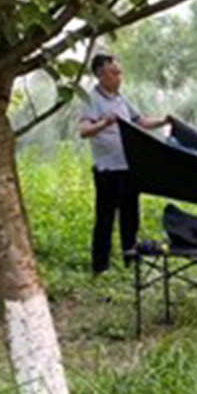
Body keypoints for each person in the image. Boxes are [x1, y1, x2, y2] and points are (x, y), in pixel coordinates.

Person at [77, 53, 169, 274]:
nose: (119, 77)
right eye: (114, 73)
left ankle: (130, 260)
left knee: (130, 216)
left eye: (120, 73)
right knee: (105, 219)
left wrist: (164, 120)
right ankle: (100, 267)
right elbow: (83, 131)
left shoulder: (121, 99)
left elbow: (141, 121)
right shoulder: (92, 99)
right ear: (101, 74)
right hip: (107, 170)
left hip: (128, 167)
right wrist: (104, 123)